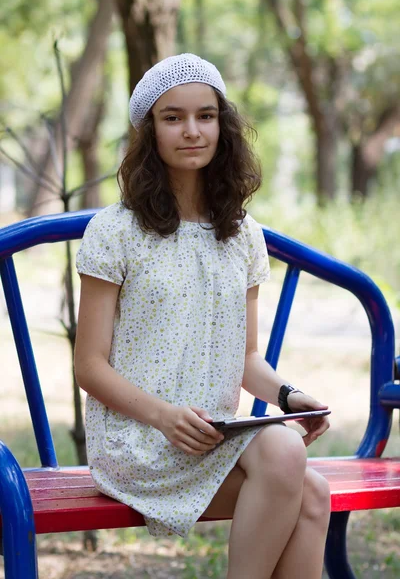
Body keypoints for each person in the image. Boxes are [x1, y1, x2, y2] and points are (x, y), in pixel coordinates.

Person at [74, 53, 331, 579]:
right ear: (150, 131)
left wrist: (287, 396)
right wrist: (164, 416)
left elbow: (246, 358)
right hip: (139, 438)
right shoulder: (116, 231)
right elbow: (89, 365)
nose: (192, 131)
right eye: (173, 118)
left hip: (214, 433)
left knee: (306, 484)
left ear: (223, 125)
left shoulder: (243, 236)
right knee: (299, 479)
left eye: (206, 116)